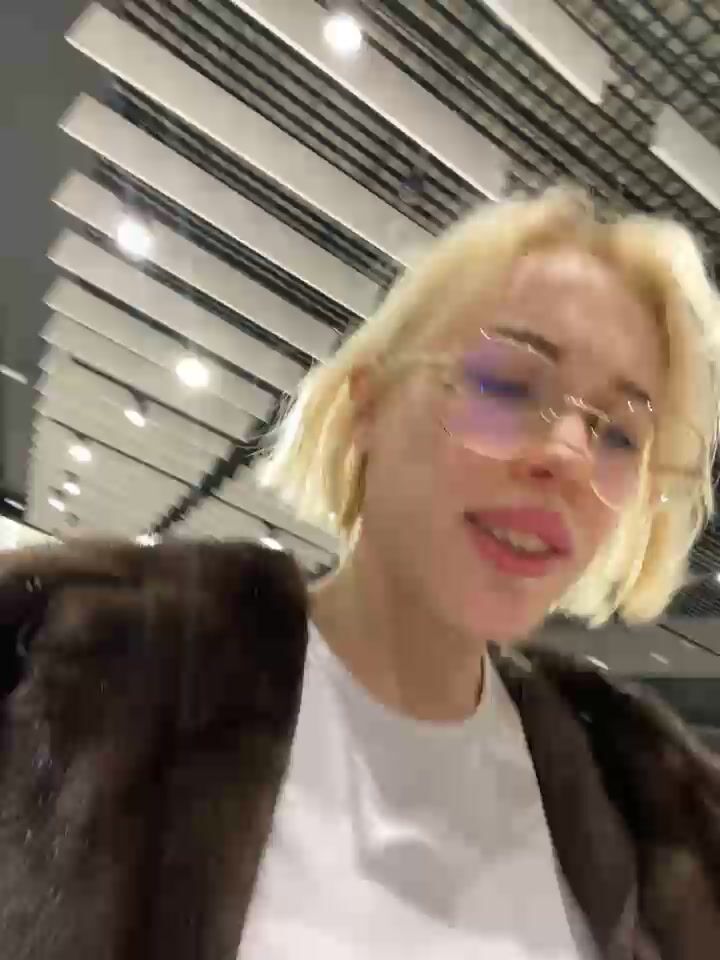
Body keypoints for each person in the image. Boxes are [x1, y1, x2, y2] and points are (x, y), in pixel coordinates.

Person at [1, 188, 720, 960]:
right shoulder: (68, 681)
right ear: (368, 403)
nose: (572, 457)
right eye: (509, 385)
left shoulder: (653, 812)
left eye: (620, 436)